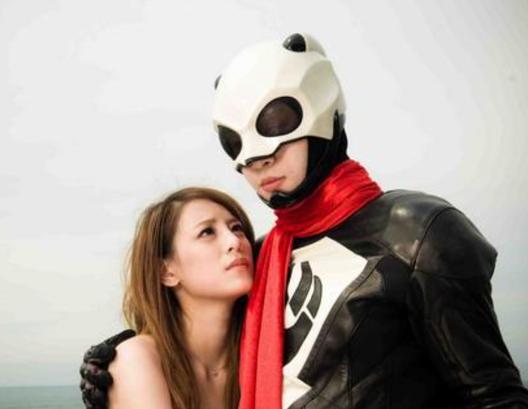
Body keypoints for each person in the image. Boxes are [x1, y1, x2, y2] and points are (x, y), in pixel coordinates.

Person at [81, 34, 528, 408]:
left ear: (321, 110)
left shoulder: (415, 230)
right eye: (236, 142)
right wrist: (127, 355)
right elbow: (191, 325)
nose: (261, 158)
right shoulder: (262, 259)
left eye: (276, 121)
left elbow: (493, 396)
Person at [83, 187, 255, 409]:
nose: (235, 241)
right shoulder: (138, 358)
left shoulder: (262, 356)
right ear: (166, 272)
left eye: (237, 228)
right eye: (207, 232)